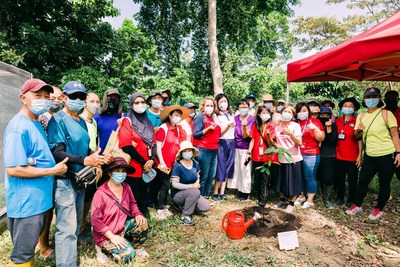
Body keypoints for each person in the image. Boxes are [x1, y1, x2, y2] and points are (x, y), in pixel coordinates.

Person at [4, 78, 68, 267]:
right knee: (23, 253)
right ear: (23, 97)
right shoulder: (18, 127)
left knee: (29, 247)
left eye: (47, 97)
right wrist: (52, 170)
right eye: (37, 95)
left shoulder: (36, 122)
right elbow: (13, 169)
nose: (43, 99)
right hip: (26, 203)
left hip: (38, 200)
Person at [47, 81, 109, 267]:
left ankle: (66, 255)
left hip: (81, 180)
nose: (78, 100)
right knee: (66, 227)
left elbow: (85, 149)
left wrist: (97, 158)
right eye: (74, 96)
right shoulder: (57, 120)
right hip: (65, 181)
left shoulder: (81, 121)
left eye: (81, 96)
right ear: (64, 97)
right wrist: (84, 161)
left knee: (73, 225)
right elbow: (57, 152)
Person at [346, 87, 400, 220]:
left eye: (374, 97)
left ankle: (378, 209)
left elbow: (395, 135)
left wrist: (399, 152)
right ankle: (357, 205)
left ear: (379, 99)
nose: (371, 100)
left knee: (384, 183)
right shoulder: (362, 115)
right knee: (363, 181)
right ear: (364, 100)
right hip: (369, 155)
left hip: (387, 154)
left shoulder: (387, 114)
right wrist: (358, 130)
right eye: (368, 97)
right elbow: (356, 135)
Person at [91, 157, 149, 264]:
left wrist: (138, 214)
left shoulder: (126, 187)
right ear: (109, 173)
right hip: (105, 234)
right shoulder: (100, 193)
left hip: (121, 227)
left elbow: (132, 204)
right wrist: (112, 237)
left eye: (123, 171)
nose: (120, 174)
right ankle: (101, 249)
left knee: (142, 223)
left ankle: (136, 247)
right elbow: (95, 221)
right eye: (117, 171)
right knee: (128, 256)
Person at [118, 93, 156, 216]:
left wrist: (151, 160)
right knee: (131, 199)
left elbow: (152, 144)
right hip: (133, 168)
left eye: (142, 102)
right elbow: (126, 145)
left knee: (142, 198)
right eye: (136, 103)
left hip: (146, 169)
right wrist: (143, 162)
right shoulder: (127, 121)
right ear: (131, 105)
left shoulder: (149, 123)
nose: (140, 105)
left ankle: (142, 221)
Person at [37, 85, 64, 259]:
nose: (55, 101)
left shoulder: (59, 118)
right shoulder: (42, 118)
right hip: (46, 170)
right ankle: (43, 247)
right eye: (51, 98)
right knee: (46, 210)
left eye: (59, 98)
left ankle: (48, 242)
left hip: (58, 168)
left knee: (53, 208)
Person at [154, 105, 188, 219]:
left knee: (167, 185)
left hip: (172, 162)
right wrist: (162, 162)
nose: (177, 117)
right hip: (161, 162)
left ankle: (162, 205)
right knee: (165, 185)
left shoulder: (178, 129)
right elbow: (158, 147)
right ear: (170, 116)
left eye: (179, 115)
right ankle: (160, 208)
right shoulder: (163, 128)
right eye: (175, 115)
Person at [171, 141, 211, 225]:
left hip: (192, 192)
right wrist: (191, 186)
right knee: (195, 192)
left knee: (205, 207)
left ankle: (187, 206)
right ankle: (185, 216)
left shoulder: (195, 164)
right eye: (185, 151)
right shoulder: (178, 166)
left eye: (189, 150)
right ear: (181, 153)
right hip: (178, 195)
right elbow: (174, 184)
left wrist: (196, 184)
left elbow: (198, 177)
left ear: (192, 152)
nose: (187, 153)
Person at [295, 102, 325, 209]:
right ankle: (301, 196)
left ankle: (310, 200)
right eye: (299, 111)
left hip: (311, 153)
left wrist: (315, 129)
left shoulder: (315, 121)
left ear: (308, 111)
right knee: (300, 176)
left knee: (310, 176)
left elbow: (321, 138)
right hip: (297, 153)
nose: (302, 113)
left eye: (304, 111)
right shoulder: (295, 122)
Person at [79, 92, 101, 235]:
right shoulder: (79, 121)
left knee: (89, 193)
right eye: (92, 101)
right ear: (85, 103)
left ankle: (83, 221)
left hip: (92, 161)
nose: (95, 104)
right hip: (81, 161)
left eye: (97, 101)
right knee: (80, 194)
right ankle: (78, 222)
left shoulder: (93, 122)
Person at [274, 105, 303, 213]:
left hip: (293, 157)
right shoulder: (277, 126)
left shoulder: (295, 126)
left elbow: (299, 143)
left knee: (294, 180)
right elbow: (273, 141)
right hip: (281, 157)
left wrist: (290, 134)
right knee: (280, 179)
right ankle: (282, 199)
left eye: (289, 112)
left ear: (293, 115)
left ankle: (292, 202)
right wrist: (276, 146)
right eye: (284, 111)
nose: (286, 113)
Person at [247, 106, 277, 207]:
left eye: (266, 112)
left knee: (265, 178)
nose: (265, 114)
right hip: (256, 155)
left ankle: (263, 199)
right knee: (257, 177)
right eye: (262, 112)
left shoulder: (271, 126)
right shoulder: (255, 126)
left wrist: (268, 135)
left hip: (266, 156)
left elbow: (271, 143)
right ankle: (259, 196)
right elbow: (252, 140)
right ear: (259, 115)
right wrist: (248, 152)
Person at [335, 97, 362, 208]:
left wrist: (360, 155)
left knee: (352, 180)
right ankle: (340, 197)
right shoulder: (337, 120)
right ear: (341, 107)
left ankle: (351, 199)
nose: (348, 108)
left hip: (352, 156)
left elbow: (360, 139)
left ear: (354, 108)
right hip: (339, 155)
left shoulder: (357, 121)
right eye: (345, 106)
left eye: (350, 106)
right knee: (340, 179)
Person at [228, 98, 256, 201]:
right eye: (241, 106)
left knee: (245, 169)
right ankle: (240, 190)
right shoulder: (235, 118)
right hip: (235, 147)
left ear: (249, 108)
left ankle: (246, 192)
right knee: (238, 170)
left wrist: (244, 127)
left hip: (246, 148)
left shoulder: (252, 120)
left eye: (245, 106)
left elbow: (247, 136)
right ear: (238, 108)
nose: (243, 108)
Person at [193, 96, 221, 197]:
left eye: (211, 105)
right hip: (204, 149)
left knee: (211, 175)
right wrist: (207, 129)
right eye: (207, 105)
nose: (209, 107)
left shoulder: (212, 118)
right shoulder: (200, 117)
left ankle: (205, 196)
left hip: (214, 150)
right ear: (203, 106)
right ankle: (198, 197)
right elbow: (196, 134)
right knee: (203, 176)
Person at [213, 93, 235, 201]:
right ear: (217, 103)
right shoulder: (216, 116)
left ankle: (223, 192)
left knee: (228, 167)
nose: (223, 103)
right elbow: (220, 133)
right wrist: (227, 126)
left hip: (232, 142)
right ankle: (215, 191)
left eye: (225, 101)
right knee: (221, 167)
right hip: (222, 143)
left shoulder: (231, 114)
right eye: (220, 101)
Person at [317, 107, 338, 208]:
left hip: (328, 155)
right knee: (316, 175)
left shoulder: (333, 125)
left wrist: (329, 128)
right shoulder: (316, 125)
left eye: (326, 115)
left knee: (328, 177)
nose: (324, 117)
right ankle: (317, 196)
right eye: (322, 115)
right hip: (316, 154)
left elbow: (332, 140)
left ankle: (328, 199)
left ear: (330, 116)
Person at [94, 88, 123, 152]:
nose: (113, 100)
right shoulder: (97, 117)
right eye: (110, 98)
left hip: (118, 157)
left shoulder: (122, 117)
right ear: (105, 99)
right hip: (102, 156)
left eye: (116, 98)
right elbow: (93, 140)